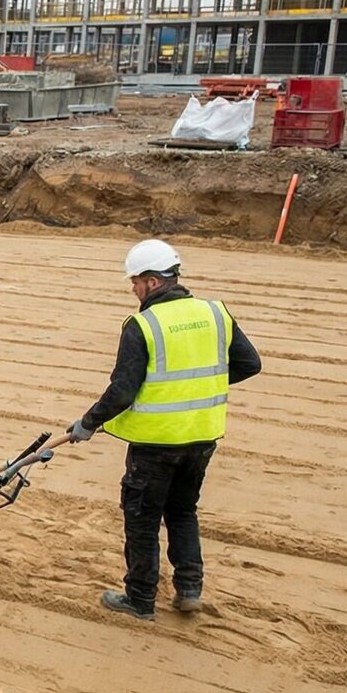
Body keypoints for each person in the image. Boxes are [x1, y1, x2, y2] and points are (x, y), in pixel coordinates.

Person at [64, 239, 261, 621]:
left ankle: (139, 599)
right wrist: (197, 389)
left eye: (135, 282)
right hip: (202, 437)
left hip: (156, 443)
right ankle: (189, 589)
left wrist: (88, 423)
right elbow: (249, 363)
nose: (133, 289)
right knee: (183, 511)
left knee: (142, 519)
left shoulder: (142, 325)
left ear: (153, 282)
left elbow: (122, 390)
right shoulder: (215, 313)